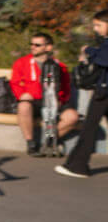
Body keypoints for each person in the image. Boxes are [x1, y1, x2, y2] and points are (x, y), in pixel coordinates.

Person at [11, 32, 80, 156]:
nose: (33, 47)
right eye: (31, 44)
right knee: (23, 106)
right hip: (33, 102)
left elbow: (66, 88)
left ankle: (48, 142)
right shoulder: (22, 62)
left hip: (52, 102)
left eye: (37, 45)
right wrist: (22, 95)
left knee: (72, 117)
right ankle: (31, 144)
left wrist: (61, 100)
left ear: (48, 47)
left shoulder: (59, 66)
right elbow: (15, 83)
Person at [58, 10, 108, 178]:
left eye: (98, 25)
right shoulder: (104, 41)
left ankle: (78, 166)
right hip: (103, 89)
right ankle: (76, 164)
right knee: (90, 126)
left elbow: (103, 58)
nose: (95, 29)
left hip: (104, 91)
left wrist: (89, 51)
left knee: (89, 127)